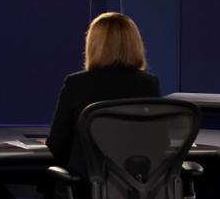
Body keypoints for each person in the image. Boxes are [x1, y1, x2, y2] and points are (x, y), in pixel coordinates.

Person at [46, 12, 161, 176]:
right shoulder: (149, 84)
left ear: (93, 45)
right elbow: (157, 143)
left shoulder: (77, 84)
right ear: (135, 44)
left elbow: (57, 146)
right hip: (135, 185)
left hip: (87, 187)